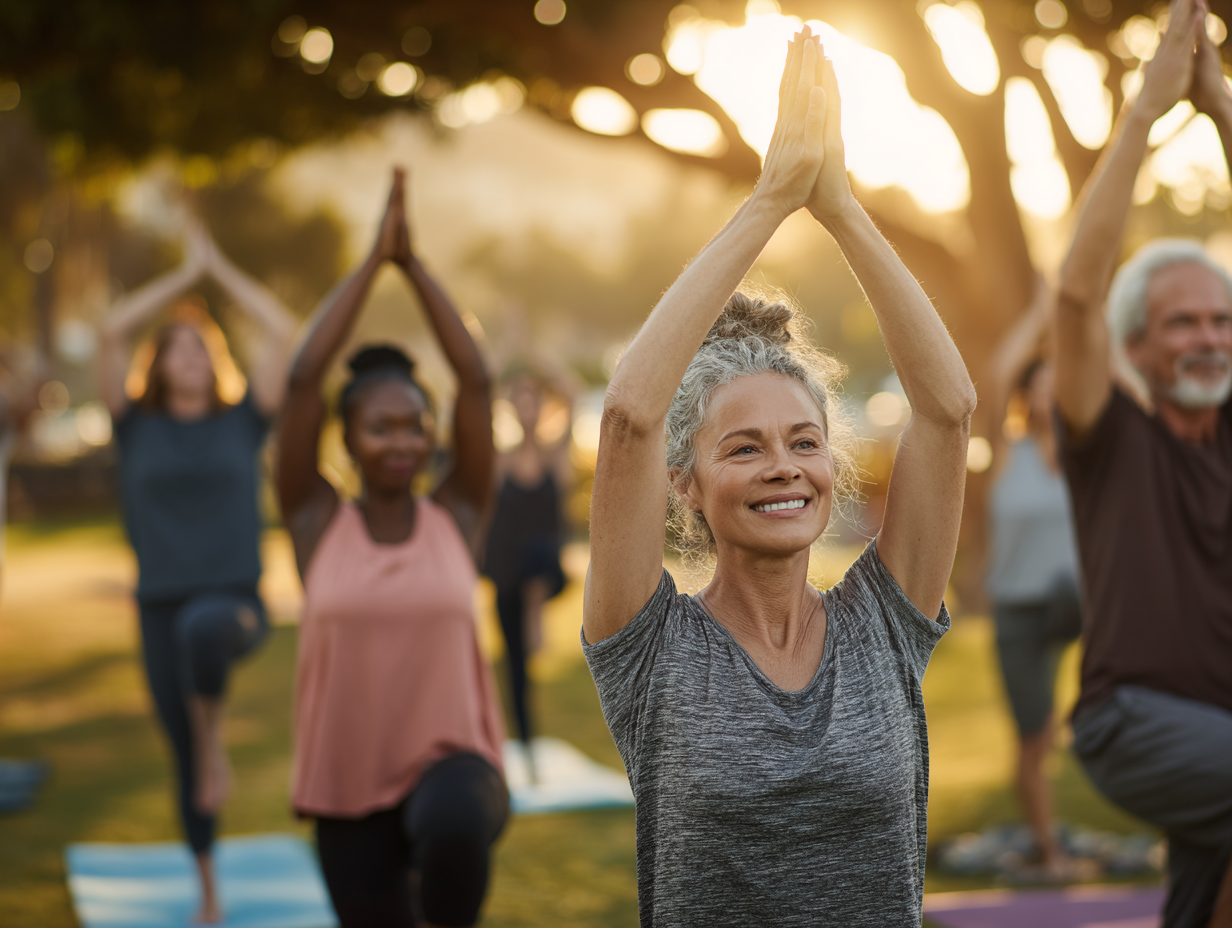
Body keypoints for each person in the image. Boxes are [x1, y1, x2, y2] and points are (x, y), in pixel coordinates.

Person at [582, 28, 976, 926]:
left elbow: (949, 410)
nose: (783, 468)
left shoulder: (884, 624)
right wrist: (769, 200)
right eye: (744, 447)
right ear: (684, 483)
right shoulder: (651, 650)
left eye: (803, 442)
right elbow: (630, 418)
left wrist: (837, 204)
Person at [279, 168, 507, 928]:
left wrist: (414, 267)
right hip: (347, 786)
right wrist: (370, 262)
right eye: (383, 427)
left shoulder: (458, 512)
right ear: (347, 438)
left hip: (454, 769)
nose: (405, 440)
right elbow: (305, 377)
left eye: (416, 424)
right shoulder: (314, 522)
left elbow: (475, 380)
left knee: (452, 828)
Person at [1053, 1, 1232, 924]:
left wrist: (1224, 106)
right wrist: (1143, 115)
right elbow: (1077, 295)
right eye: (1183, 323)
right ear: (1139, 347)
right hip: (1130, 721)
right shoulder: (1112, 431)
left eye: (1220, 320)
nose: (1207, 338)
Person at [97, 216, 297, 924]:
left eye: (198, 344)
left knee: (204, 630)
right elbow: (109, 334)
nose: (186, 353)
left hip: (234, 602)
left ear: (214, 360)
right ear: (160, 363)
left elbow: (283, 333)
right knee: (181, 759)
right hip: (157, 605)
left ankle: (216, 746)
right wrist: (181, 279)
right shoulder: (134, 426)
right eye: (174, 345)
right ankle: (207, 886)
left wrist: (218, 272)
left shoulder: (243, 420)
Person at [982, 280, 1084, 878]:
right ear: (1028, 396)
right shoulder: (1005, 452)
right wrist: (1040, 312)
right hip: (1018, 610)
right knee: (1031, 737)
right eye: (1038, 386)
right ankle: (1050, 853)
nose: (1049, 396)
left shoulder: (1083, 454)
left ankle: (1092, 715)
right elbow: (997, 373)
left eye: (1057, 386)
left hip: (1076, 604)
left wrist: (1072, 319)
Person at [483, 354, 577, 759]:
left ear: (540, 406)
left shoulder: (555, 457)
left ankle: (535, 611)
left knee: (539, 559)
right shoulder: (499, 461)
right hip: (505, 572)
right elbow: (473, 406)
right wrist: (499, 364)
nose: (525, 408)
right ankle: (523, 742)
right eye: (517, 401)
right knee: (514, 664)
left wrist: (536, 352)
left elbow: (572, 395)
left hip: (546, 569)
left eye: (531, 399)